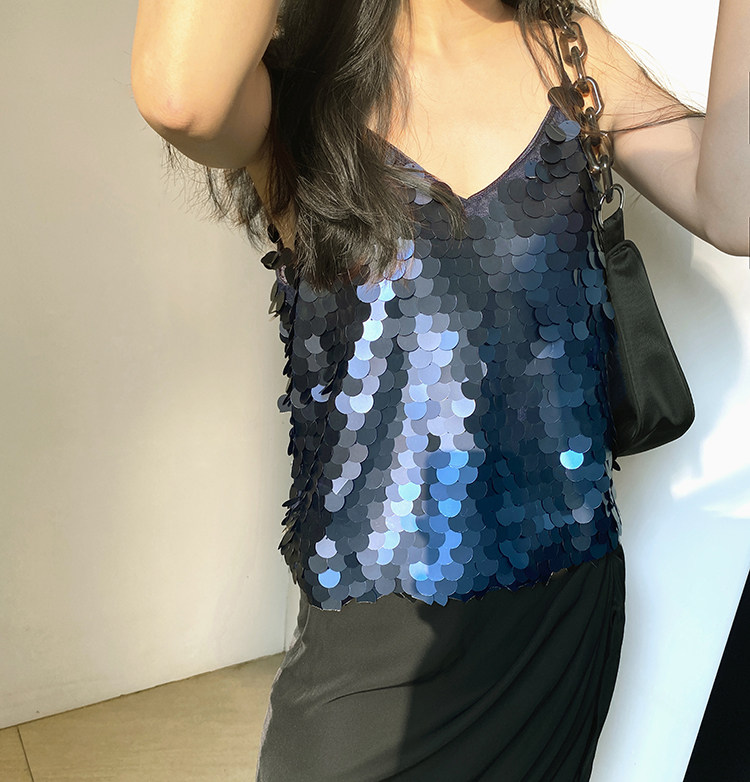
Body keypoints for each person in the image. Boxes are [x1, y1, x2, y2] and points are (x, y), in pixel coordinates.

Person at [131, 1, 749, 779]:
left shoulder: (568, 50)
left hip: (561, 613)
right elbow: (180, 96)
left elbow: (734, 206)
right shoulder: (303, 79)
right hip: (375, 641)